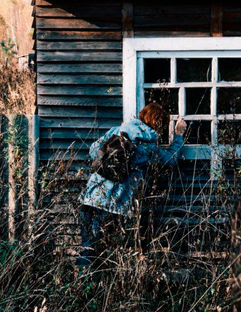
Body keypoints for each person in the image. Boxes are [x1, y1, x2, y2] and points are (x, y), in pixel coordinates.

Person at [78, 103, 186, 267]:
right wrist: (178, 135)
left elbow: (93, 150)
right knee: (102, 250)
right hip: (113, 204)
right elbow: (170, 159)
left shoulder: (118, 131)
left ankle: (82, 283)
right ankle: (91, 284)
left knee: (88, 246)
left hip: (91, 195)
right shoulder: (148, 146)